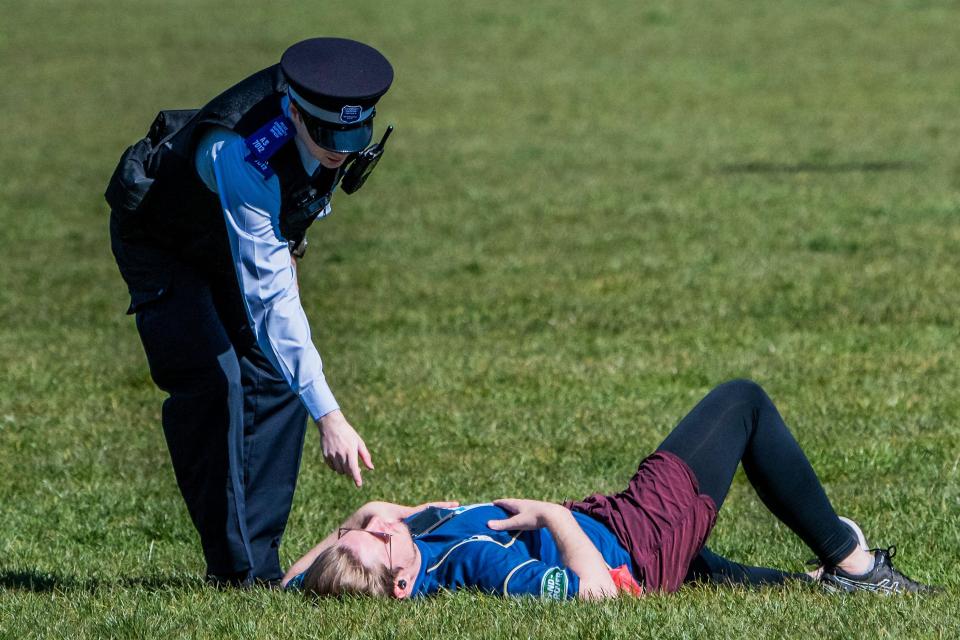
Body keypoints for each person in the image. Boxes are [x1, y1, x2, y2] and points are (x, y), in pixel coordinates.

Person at [105, 37, 395, 586]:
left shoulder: (327, 128)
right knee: (215, 384)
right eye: (328, 135)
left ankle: (259, 567)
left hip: (234, 236)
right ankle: (236, 571)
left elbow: (286, 230)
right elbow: (270, 300)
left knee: (280, 378)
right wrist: (330, 416)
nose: (341, 149)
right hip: (162, 240)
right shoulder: (244, 152)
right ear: (293, 109)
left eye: (351, 135)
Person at [282, 380, 937, 598]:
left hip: (617, 523)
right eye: (374, 544)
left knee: (714, 571)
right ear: (400, 585)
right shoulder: (474, 564)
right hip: (634, 540)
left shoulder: (413, 542)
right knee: (742, 403)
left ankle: (809, 589)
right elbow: (593, 596)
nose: (374, 527)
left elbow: (341, 548)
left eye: (358, 532)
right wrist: (549, 514)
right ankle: (854, 567)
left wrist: (301, 571)